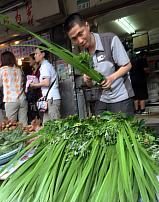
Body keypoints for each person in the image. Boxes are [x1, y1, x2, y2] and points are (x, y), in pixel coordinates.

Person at [64, 13, 134, 116]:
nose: (80, 40)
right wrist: (87, 80)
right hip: (102, 98)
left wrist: (111, 78)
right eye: (74, 38)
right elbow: (91, 84)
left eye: (80, 33)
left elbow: (127, 65)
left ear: (87, 26)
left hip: (121, 98)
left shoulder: (110, 39)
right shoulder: (83, 55)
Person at [30, 45, 61, 123]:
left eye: (36, 53)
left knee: (55, 125)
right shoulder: (45, 66)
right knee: (47, 125)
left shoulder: (45, 66)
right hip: (49, 99)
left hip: (52, 99)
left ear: (43, 54)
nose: (35, 56)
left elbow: (46, 83)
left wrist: (34, 85)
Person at [0, 51, 28, 125]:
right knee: (24, 124)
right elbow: (24, 82)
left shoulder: (2, 70)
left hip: (10, 100)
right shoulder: (19, 70)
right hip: (22, 99)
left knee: (11, 125)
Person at [26, 53, 42, 124]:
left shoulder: (40, 70)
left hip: (40, 96)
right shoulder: (33, 71)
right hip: (35, 97)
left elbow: (42, 82)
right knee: (37, 115)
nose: (29, 61)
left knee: (42, 115)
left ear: (34, 60)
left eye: (30, 59)